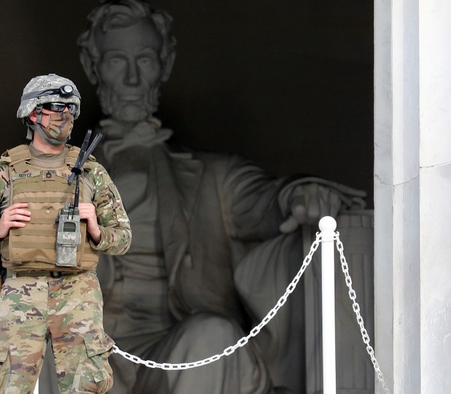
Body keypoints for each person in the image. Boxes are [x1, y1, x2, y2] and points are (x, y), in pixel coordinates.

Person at [76, 1, 367, 393]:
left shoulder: (214, 177)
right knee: (41, 331)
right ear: (93, 67)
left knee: (212, 334)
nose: (131, 79)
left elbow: (267, 200)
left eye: (144, 59)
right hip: (85, 345)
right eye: (116, 60)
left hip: (180, 350)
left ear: (166, 64)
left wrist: (299, 194)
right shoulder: (54, 178)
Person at [0, 73, 132, 394]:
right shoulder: (4, 171)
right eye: (56, 107)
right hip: (22, 290)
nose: (65, 116)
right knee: (9, 385)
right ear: (34, 113)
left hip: (77, 292)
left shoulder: (91, 171)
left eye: (71, 109)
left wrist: (95, 229)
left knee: (86, 384)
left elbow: (122, 237)